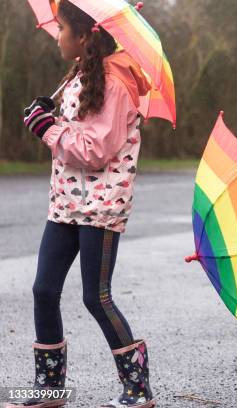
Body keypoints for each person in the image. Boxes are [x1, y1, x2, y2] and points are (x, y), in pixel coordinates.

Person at [14, 1, 156, 407]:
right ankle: (50, 388)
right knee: (44, 289)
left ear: (83, 36)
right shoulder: (81, 74)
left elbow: (95, 150)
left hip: (102, 205)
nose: (57, 36)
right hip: (66, 202)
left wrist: (48, 129)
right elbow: (77, 133)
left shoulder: (115, 82)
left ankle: (138, 389)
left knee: (97, 297)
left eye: (61, 29)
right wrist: (46, 116)